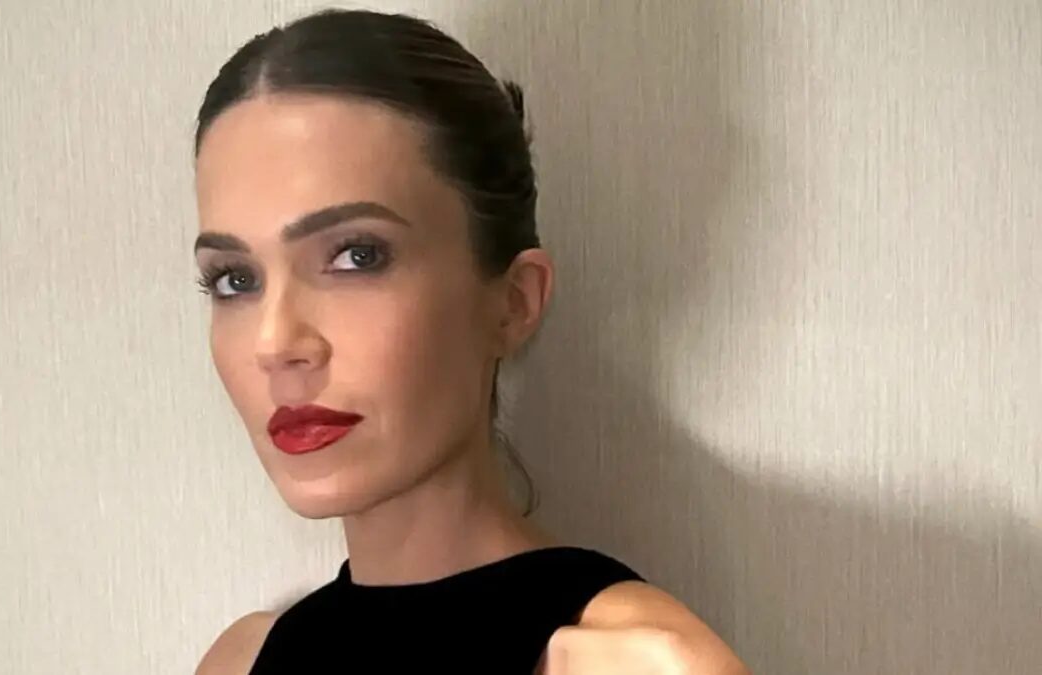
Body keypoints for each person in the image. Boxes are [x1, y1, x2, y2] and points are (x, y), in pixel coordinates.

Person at [190, 8, 747, 674]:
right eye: (235, 279)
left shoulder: (635, 665)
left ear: (514, 302)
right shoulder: (240, 661)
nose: (275, 341)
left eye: (357, 256)